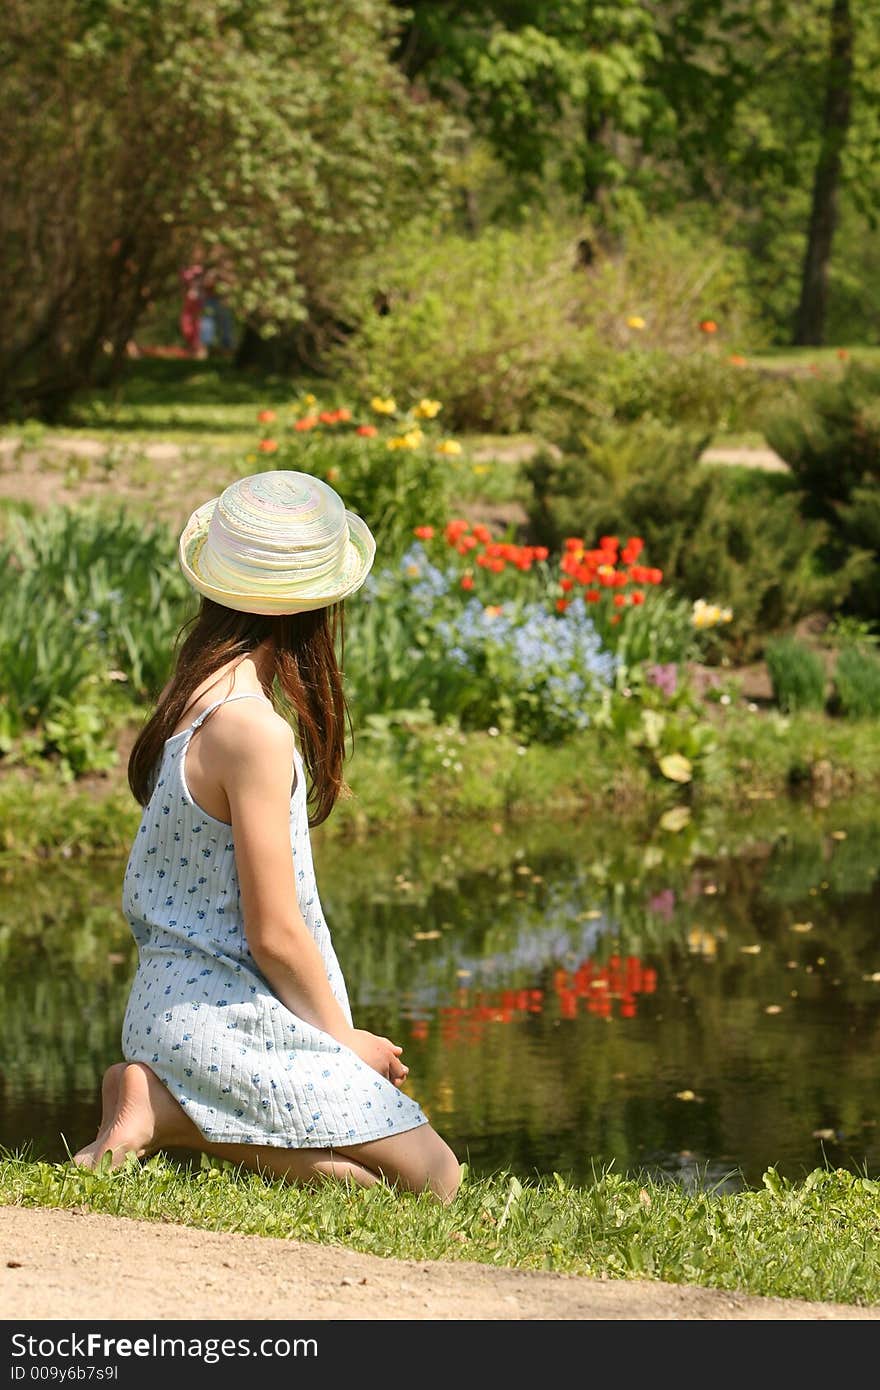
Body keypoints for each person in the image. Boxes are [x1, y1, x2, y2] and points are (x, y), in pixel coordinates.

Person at [73, 471, 460, 1202]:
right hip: (222, 1019)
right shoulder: (253, 729)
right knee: (437, 1180)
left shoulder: (192, 698)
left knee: (367, 1190)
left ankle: (156, 1101)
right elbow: (275, 931)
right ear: (318, 604)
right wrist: (345, 1043)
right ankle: (168, 1113)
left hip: (164, 1007)